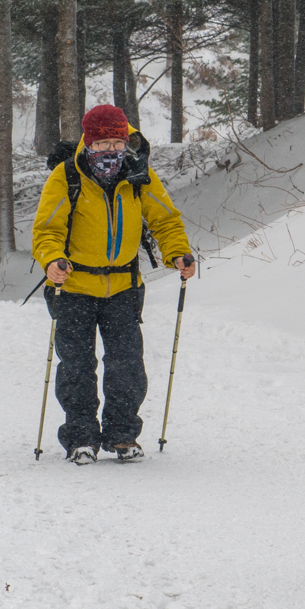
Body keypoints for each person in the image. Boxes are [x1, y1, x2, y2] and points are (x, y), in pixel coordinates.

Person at [31, 104, 196, 465]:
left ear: (127, 143)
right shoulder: (67, 176)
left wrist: (178, 253)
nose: (111, 152)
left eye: (118, 144)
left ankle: (122, 436)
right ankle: (80, 438)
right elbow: (47, 229)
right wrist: (51, 261)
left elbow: (165, 221)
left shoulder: (139, 176)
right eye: (103, 143)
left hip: (122, 286)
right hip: (73, 287)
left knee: (126, 364)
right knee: (76, 366)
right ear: (89, 142)